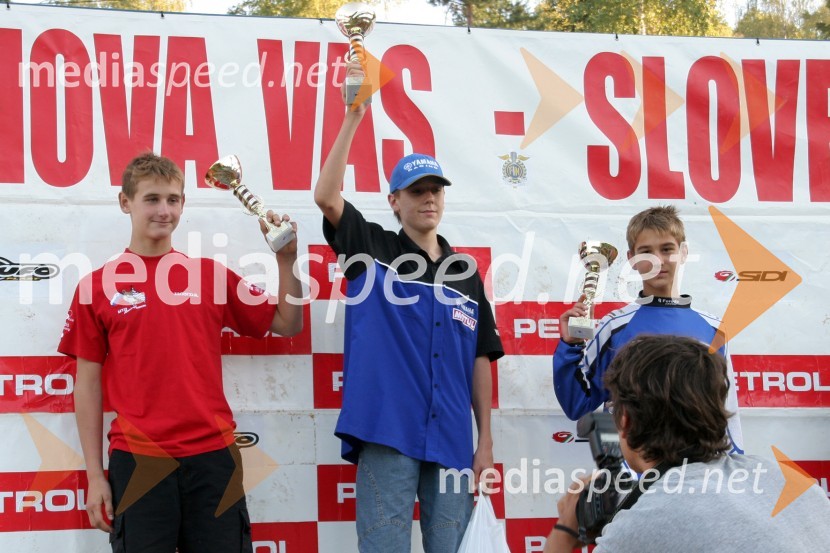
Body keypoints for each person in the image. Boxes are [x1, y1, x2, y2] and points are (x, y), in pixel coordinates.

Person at [58, 153, 302, 552]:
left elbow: (287, 324)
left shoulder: (209, 275)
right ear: (126, 203)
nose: (164, 210)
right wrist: (94, 475)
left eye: (173, 199)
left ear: (183, 204)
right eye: (152, 199)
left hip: (214, 458)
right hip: (138, 461)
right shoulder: (95, 287)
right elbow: (86, 386)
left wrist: (286, 259)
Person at [314, 70, 504, 553]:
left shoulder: (466, 271)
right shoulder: (371, 247)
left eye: (436, 189)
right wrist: (353, 117)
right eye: (417, 190)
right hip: (387, 430)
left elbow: (481, 359)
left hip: (453, 439)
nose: (429, 198)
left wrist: (484, 442)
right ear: (394, 201)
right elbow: (326, 197)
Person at [544, 334, 830, 553]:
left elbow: (675, 514)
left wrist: (567, 526)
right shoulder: (787, 479)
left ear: (626, 419)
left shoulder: (645, 524)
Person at [553, 205, 743, 452]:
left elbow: (728, 412)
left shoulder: (714, 328)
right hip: (635, 480)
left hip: (699, 475)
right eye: (646, 252)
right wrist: (571, 346)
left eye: (667, 249)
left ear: (683, 252)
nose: (657, 261)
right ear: (632, 259)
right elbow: (576, 404)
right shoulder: (614, 327)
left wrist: (734, 468)